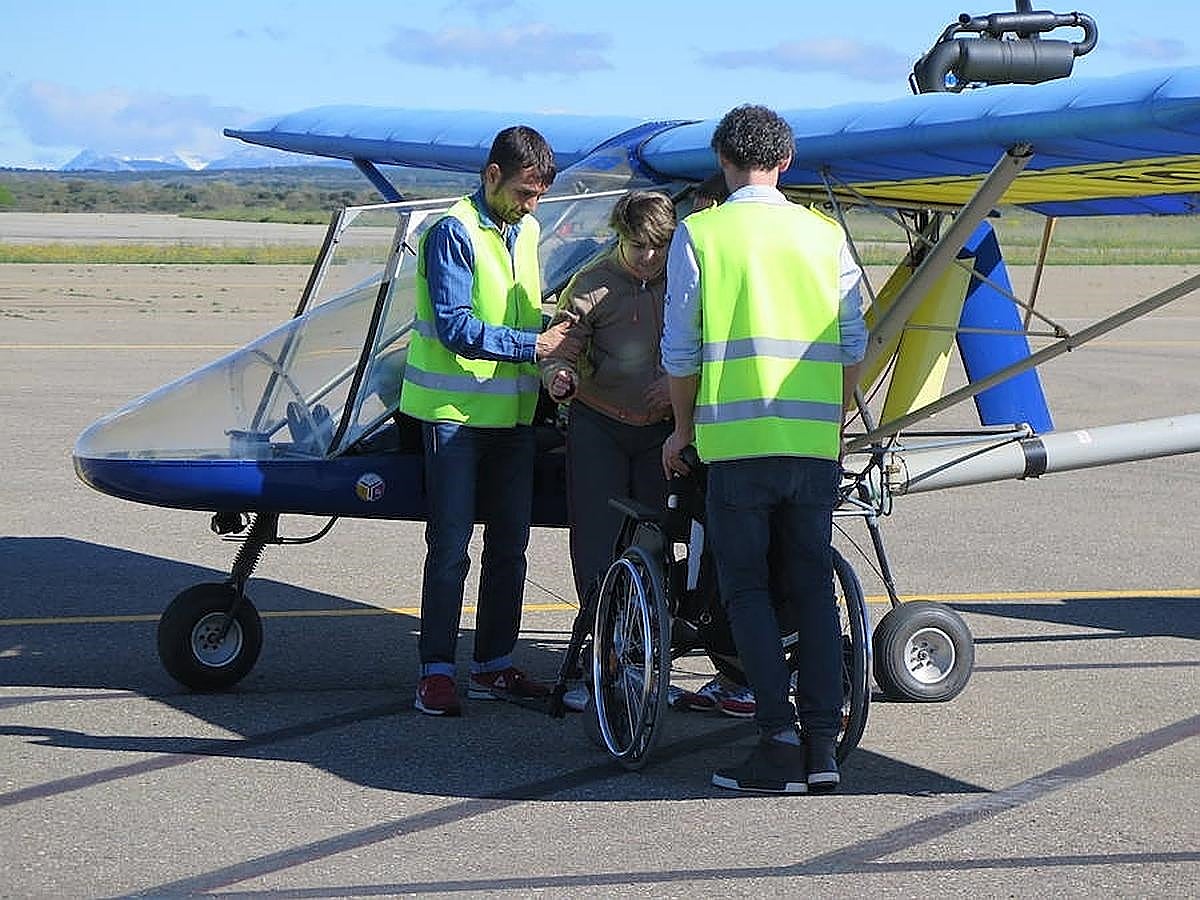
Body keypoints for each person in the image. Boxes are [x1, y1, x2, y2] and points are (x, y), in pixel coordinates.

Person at [661, 104, 867, 793]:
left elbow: (681, 349)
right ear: (785, 161)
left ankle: (776, 741)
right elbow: (852, 343)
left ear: (722, 159)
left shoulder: (702, 234)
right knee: (812, 590)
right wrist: (829, 424)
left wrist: (682, 432)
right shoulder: (824, 234)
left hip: (736, 445)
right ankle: (823, 749)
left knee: (746, 591)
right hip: (811, 445)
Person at [400, 125, 581, 717]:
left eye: (539, 195)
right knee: (450, 547)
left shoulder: (523, 229)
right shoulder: (453, 232)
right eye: (525, 193)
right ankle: (436, 672)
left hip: (513, 414)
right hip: (453, 415)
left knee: (511, 545)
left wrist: (553, 356)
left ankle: (493, 664)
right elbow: (454, 326)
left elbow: (523, 311)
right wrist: (534, 348)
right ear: (491, 176)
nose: (533, 206)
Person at [539, 191, 676, 711]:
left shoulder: (686, 285)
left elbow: (708, 346)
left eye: (658, 247)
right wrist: (560, 377)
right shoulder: (592, 284)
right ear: (620, 237)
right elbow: (558, 351)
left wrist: (680, 386)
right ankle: (601, 663)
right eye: (637, 245)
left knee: (655, 546)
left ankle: (646, 662)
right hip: (599, 427)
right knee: (597, 546)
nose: (647, 257)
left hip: (661, 434)